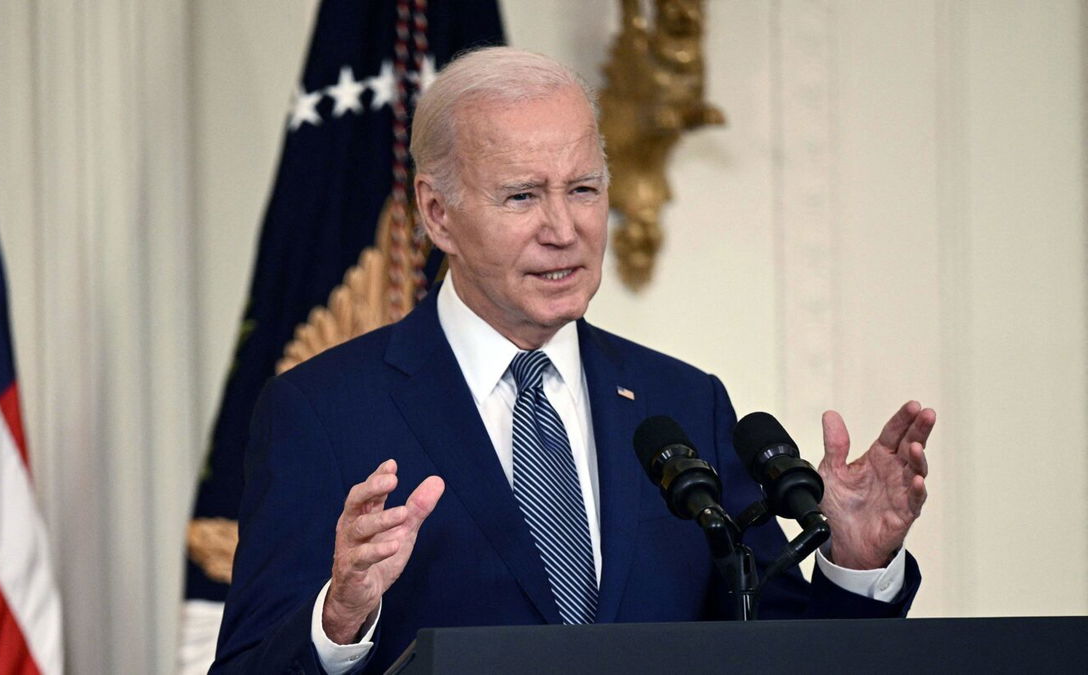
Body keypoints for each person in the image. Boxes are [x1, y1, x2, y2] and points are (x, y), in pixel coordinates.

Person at [211, 47, 934, 674]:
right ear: (437, 214)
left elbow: (780, 656)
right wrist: (338, 618)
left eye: (583, 189)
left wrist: (857, 563)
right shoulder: (324, 412)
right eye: (522, 195)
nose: (564, 229)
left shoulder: (682, 404)